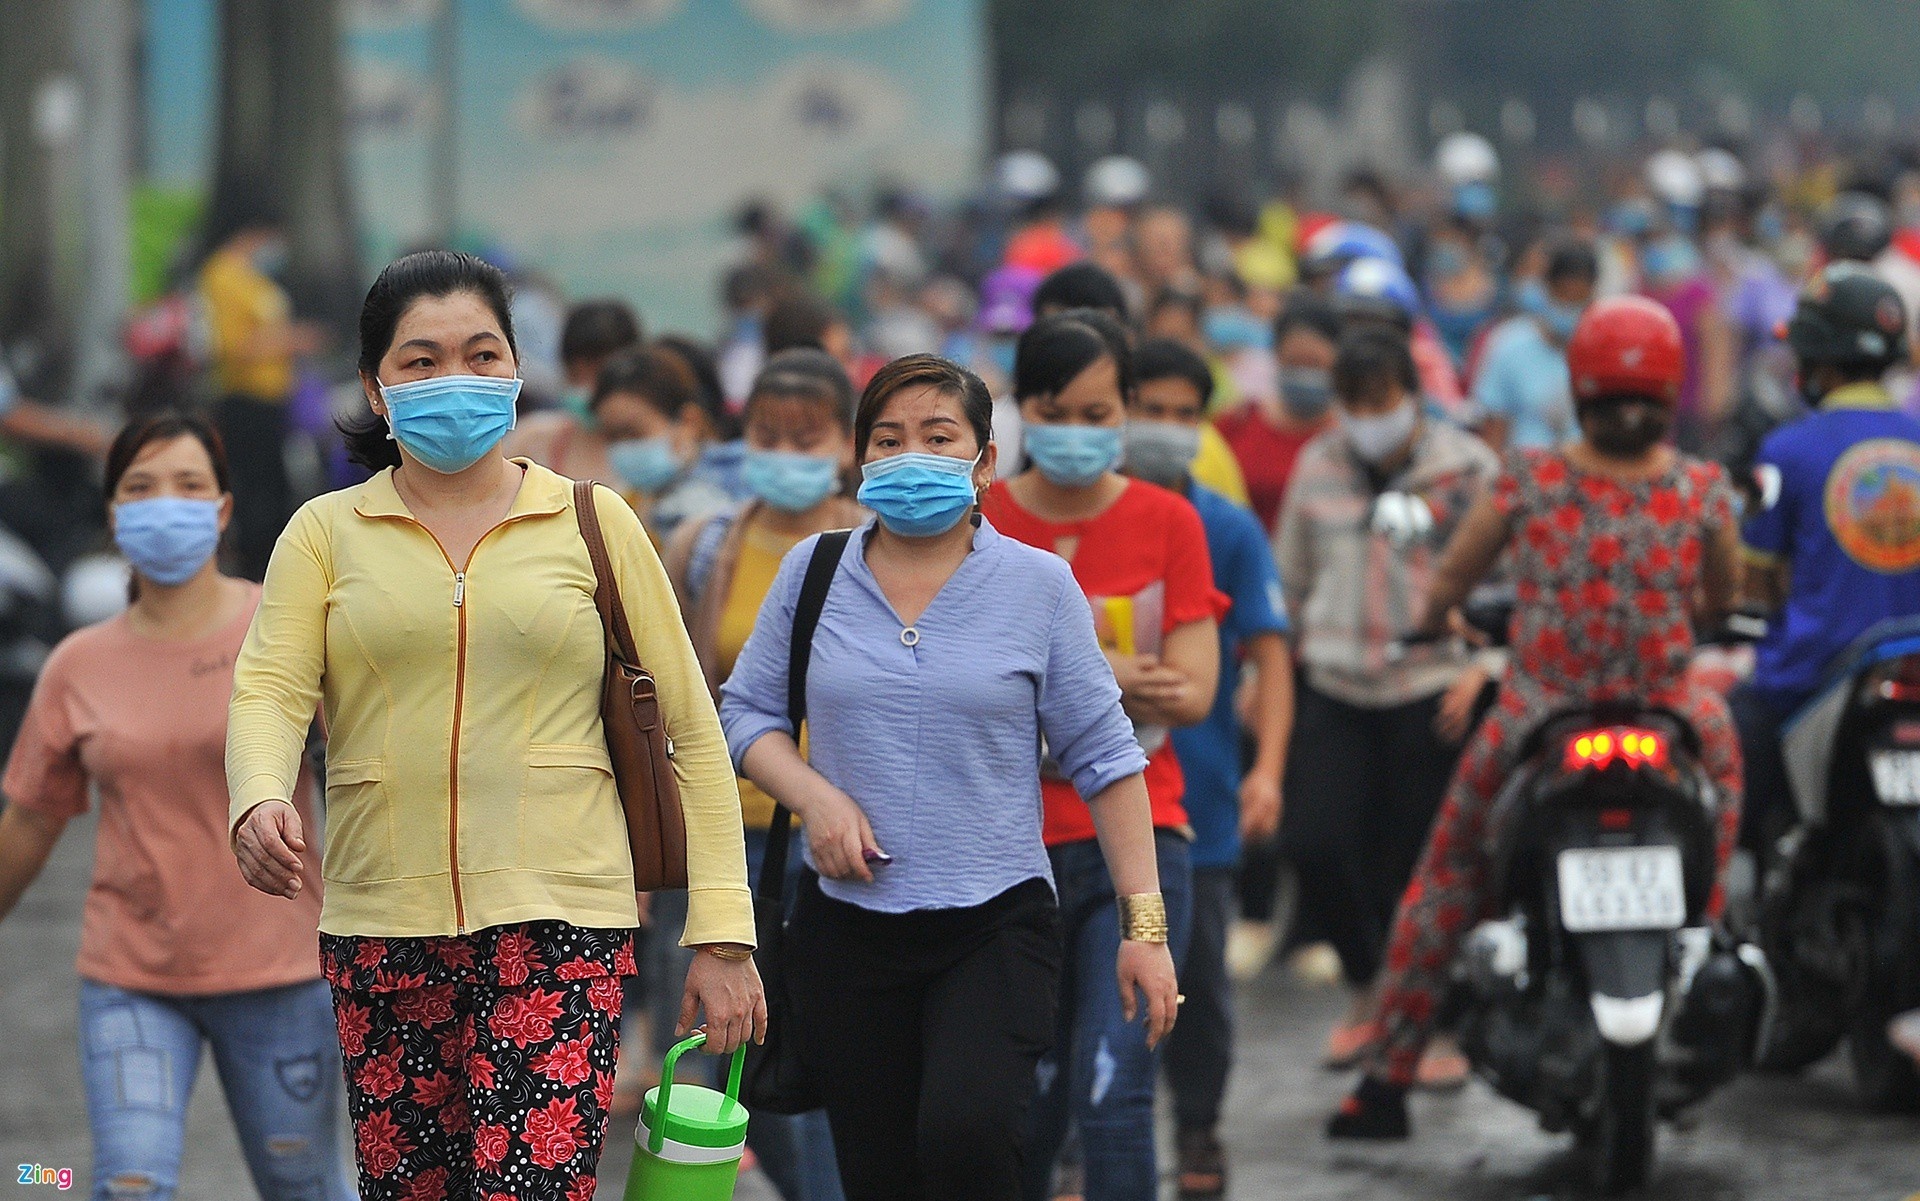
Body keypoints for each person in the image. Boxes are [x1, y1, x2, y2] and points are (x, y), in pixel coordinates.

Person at [226, 250, 763, 1199]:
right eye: (422, 361)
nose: (456, 381)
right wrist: (258, 796)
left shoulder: (594, 522)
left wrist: (722, 933)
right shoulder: (323, 533)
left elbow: (689, 728)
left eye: (481, 355)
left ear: (518, 370)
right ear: (374, 386)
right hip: (382, 927)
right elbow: (269, 689)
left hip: (561, 923)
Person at [721, 353, 1178, 1201]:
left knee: (968, 1137)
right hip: (848, 928)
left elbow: (1108, 758)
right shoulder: (813, 571)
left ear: (986, 461)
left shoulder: (1039, 587)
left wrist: (1143, 927)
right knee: (881, 1171)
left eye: (938, 437)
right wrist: (816, 796)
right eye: (887, 440)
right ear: (860, 461)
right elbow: (745, 714)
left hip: (994, 924)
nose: (910, 456)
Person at [1329, 297, 1745, 1139]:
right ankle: (1702, 921)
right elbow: (1722, 599)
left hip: (1538, 711)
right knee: (1727, 780)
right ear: (1670, 393)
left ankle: (1386, 1079)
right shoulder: (1700, 485)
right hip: (1671, 709)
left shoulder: (1527, 476)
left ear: (1578, 388)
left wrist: (1443, 614)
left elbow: (1450, 582)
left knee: (1446, 876)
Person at [0, 413, 352, 1201]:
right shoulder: (76, 665)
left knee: (305, 1183)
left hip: (282, 971)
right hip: (131, 978)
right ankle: (32, 1180)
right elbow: (28, 820)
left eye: (189, 485)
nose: (168, 503)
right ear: (114, 511)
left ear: (223, 508)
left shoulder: (288, 625)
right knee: (123, 1183)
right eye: (142, 487)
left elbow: (368, 775)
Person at [979, 311, 1221, 1201]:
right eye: (1055, 409)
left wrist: (1040, 671)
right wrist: (1114, 669)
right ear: (1021, 409)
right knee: (1029, 1103)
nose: (1075, 433)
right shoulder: (981, 522)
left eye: (1097, 412)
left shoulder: (1169, 521)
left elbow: (1192, 690)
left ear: (1123, 410)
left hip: (1142, 845)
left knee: (1113, 1091)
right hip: (1007, 854)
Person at [662, 348, 864, 1201]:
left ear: (844, 442)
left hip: (842, 832)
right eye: (766, 434)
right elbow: (671, 682)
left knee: (818, 1043)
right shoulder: (711, 543)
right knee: (744, 1042)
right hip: (732, 826)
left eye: (804, 435)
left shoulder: (872, 542)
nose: (783, 450)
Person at [1272, 328, 1498, 1083]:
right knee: (1314, 841)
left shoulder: (1465, 468)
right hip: (1336, 679)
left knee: (1420, 864)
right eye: (1356, 403)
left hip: (1430, 685)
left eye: (1383, 402)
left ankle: (1427, 1024)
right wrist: (1265, 674)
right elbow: (1291, 578)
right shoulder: (1320, 463)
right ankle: (1368, 984)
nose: (1370, 416)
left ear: (1414, 397)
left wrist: (1490, 664)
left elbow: (1513, 581)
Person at [1123, 338, 1293, 1199]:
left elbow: (1269, 652)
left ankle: (1198, 1126)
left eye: (1185, 416)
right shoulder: (1082, 520)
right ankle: (1092, 1138)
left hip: (1203, 798)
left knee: (1197, 983)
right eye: (1150, 409)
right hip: (1084, 801)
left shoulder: (1224, 526)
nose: (1166, 430)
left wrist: (1268, 768)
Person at [1735, 268, 1920, 855]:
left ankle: (1727, 901)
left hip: (1815, 675)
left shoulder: (1786, 451)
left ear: (1816, 359)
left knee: (1735, 742)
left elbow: (1754, 584)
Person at [197, 200, 325, 580]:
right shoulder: (222, 276)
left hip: (272, 399)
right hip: (244, 399)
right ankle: (254, 570)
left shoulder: (252, 278)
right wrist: (292, 341)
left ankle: (271, 565)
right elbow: (233, 347)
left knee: (275, 485)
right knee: (256, 490)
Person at [1215, 296, 1341, 533]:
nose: (1304, 374)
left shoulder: (1349, 434)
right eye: (1295, 363)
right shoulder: (1238, 422)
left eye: (1314, 364)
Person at [591, 343, 736, 542]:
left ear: (688, 422)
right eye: (612, 436)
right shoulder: (628, 500)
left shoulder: (721, 505)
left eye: (634, 434)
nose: (623, 448)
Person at [1472, 239, 1598, 451]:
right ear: (1546, 288)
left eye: (1579, 297)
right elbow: (1493, 428)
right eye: (1563, 294)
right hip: (1521, 473)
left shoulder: (1601, 350)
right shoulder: (1508, 344)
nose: (1569, 304)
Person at [501, 297, 643, 483]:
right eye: (576, 374)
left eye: (598, 374)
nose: (586, 387)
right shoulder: (533, 440)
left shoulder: (649, 454)